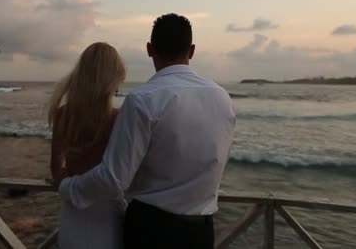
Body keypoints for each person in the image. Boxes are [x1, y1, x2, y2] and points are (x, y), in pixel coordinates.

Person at [57, 13, 236, 248]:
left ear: (150, 49)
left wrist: (68, 187)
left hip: (151, 230)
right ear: (191, 51)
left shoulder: (142, 99)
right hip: (201, 231)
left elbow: (113, 178)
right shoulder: (221, 98)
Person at [48, 42, 127, 249]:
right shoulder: (118, 119)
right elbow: (122, 173)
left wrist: (68, 181)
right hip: (107, 219)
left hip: (72, 216)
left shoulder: (63, 115)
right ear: (112, 79)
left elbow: (56, 169)